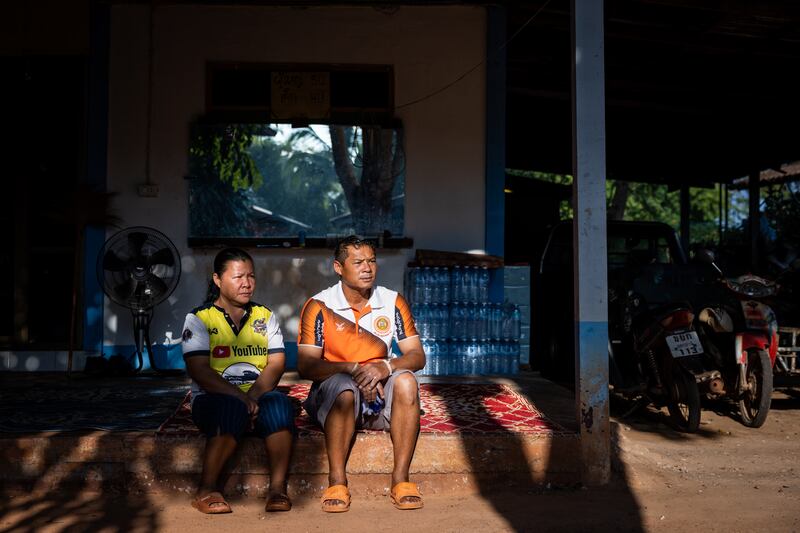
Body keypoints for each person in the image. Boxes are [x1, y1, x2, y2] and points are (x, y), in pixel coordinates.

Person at [297, 236, 426, 513]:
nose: (367, 268)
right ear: (338, 267)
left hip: (379, 393)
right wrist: (353, 369)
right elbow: (306, 366)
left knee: (405, 381)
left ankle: (401, 480)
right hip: (337, 396)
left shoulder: (392, 301)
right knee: (344, 388)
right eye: (358, 262)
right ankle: (337, 481)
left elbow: (417, 356)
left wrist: (386, 367)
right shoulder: (319, 305)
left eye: (371, 261)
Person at [181, 248, 294, 514]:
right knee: (230, 408)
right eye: (238, 277)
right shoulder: (199, 318)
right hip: (212, 399)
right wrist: (241, 399)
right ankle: (206, 489)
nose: (247, 283)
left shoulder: (264, 316)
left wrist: (252, 397)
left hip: (257, 395)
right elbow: (200, 371)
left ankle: (278, 489)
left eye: (251, 276)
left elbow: (276, 363)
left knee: (279, 404)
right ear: (218, 280)